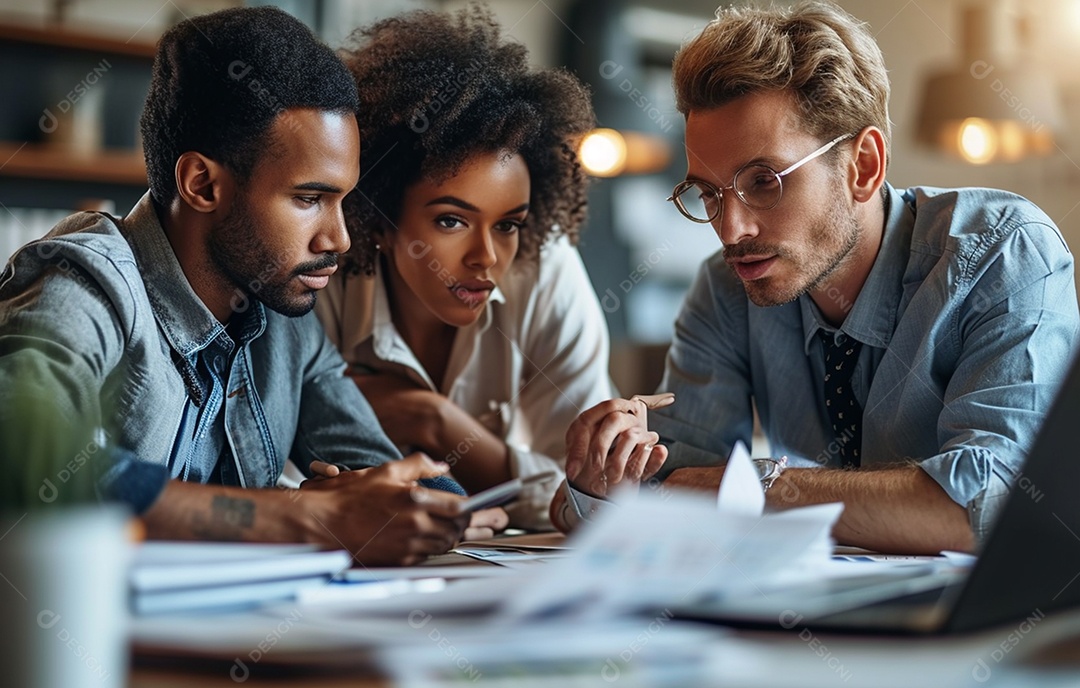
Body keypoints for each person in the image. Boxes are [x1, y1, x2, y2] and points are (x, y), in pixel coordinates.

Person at [556, 0, 1079, 554]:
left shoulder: (1003, 250)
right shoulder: (726, 288)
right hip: (808, 620)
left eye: (762, 181)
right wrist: (603, 485)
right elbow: (671, 482)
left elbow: (994, 508)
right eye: (708, 194)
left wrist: (754, 489)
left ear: (863, 167)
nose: (730, 230)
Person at [0, 6, 487, 566]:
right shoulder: (85, 284)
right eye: (309, 199)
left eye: (343, 202)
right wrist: (300, 516)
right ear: (202, 184)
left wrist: (392, 505)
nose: (340, 238)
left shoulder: (284, 320)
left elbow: (415, 487)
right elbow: (24, 453)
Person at [316, 6, 614, 530]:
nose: (487, 257)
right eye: (452, 221)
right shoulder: (322, 275)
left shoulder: (545, 272)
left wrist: (429, 418)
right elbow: (284, 475)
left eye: (508, 224)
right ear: (379, 217)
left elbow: (590, 494)